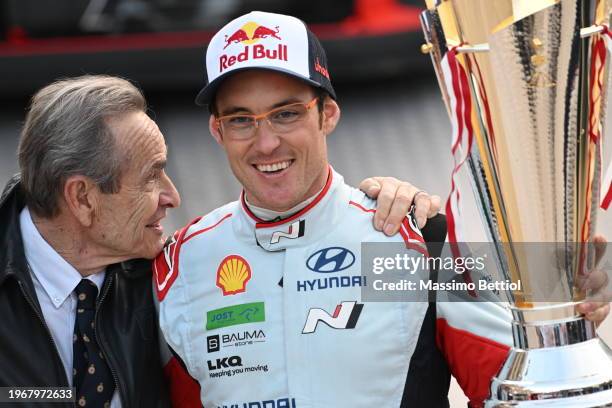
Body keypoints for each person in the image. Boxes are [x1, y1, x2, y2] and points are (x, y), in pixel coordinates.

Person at [154, 11, 610, 408]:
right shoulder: (182, 263)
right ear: (217, 131)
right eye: (240, 120)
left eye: (286, 113)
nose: (266, 141)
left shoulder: (404, 237)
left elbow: (507, 385)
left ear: (327, 114)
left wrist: (562, 297)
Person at [0, 75, 438, 407]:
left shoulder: (167, 269)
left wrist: (421, 222)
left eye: (287, 113)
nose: (173, 196)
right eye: (151, 177)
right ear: (81, 198)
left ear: (328, 115)